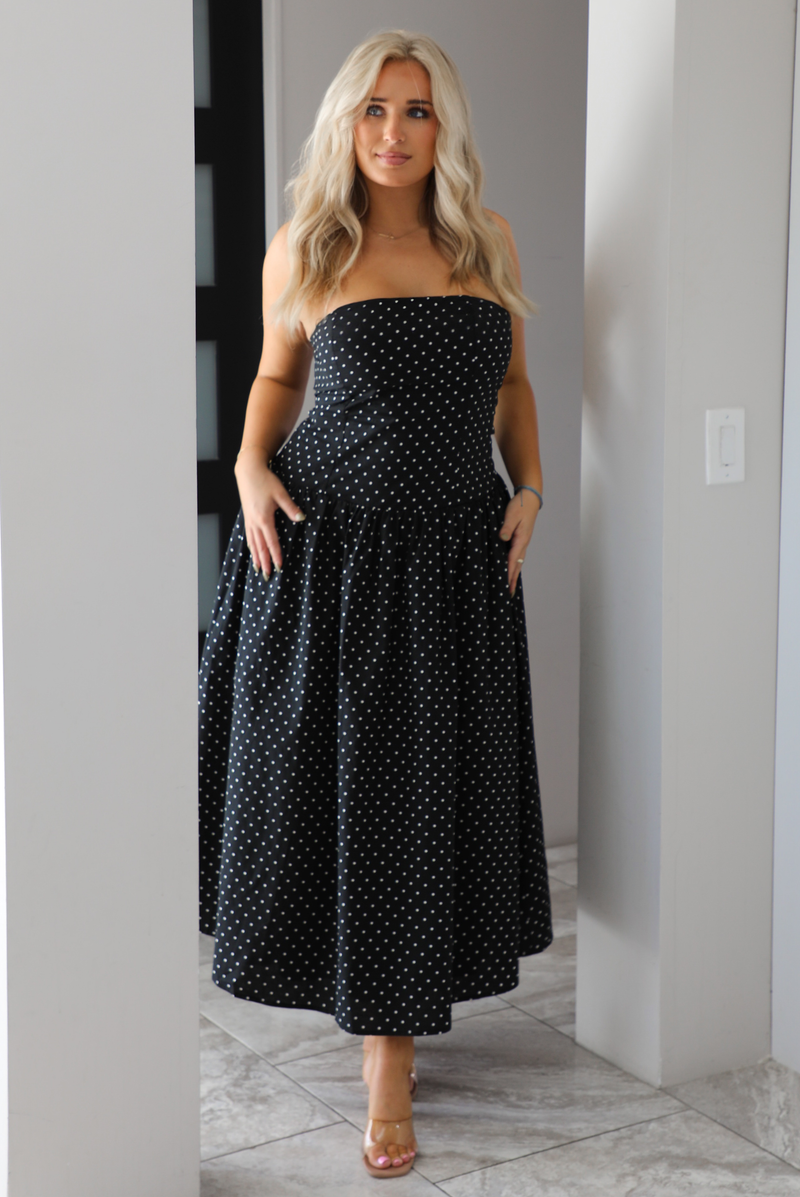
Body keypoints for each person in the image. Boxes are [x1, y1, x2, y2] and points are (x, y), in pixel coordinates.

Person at [198, 28, 553, 1179]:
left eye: (416, 112)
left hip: (452, 564)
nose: (394, 135)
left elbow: (509, 378)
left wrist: (532, 486)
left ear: (443, 128)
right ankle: (385, 1064)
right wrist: (248, 468)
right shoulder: (307, 244)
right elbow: (276, 375)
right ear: (344, 124)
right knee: (354, 803)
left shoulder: (484, 241)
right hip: (329, 561)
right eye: (373, 111)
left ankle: (389, 1034)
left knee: (418, 800)